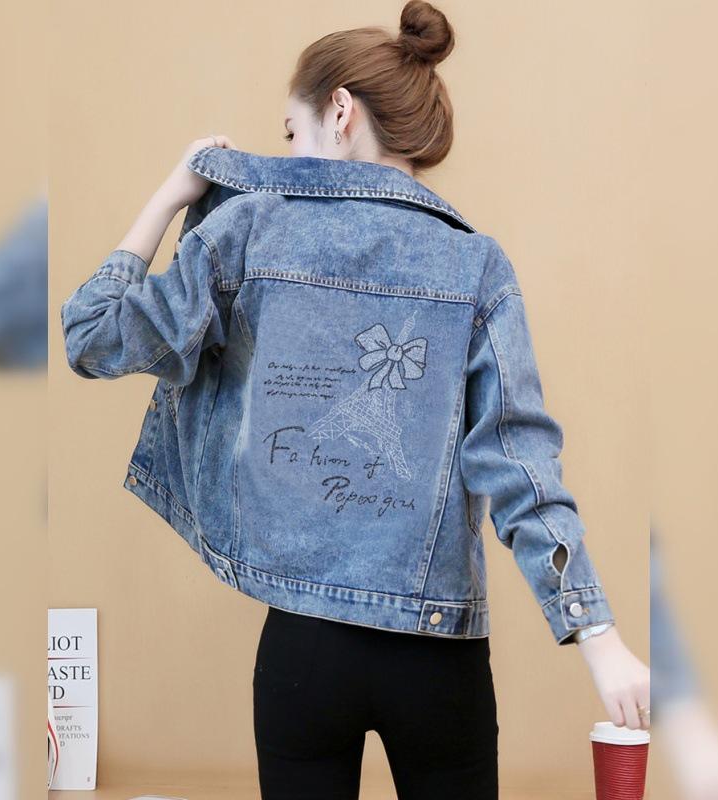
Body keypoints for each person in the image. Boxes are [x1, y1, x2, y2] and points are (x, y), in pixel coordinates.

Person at [60, 2, 650, 797]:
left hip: (303, 655)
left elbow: (92, 336)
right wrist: (596, 634)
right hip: (437, 657)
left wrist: (173, 194)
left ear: (339, 111)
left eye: (290, 133)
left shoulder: (247, 232)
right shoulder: (478, 265)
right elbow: (517, 461)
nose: (286, 157)